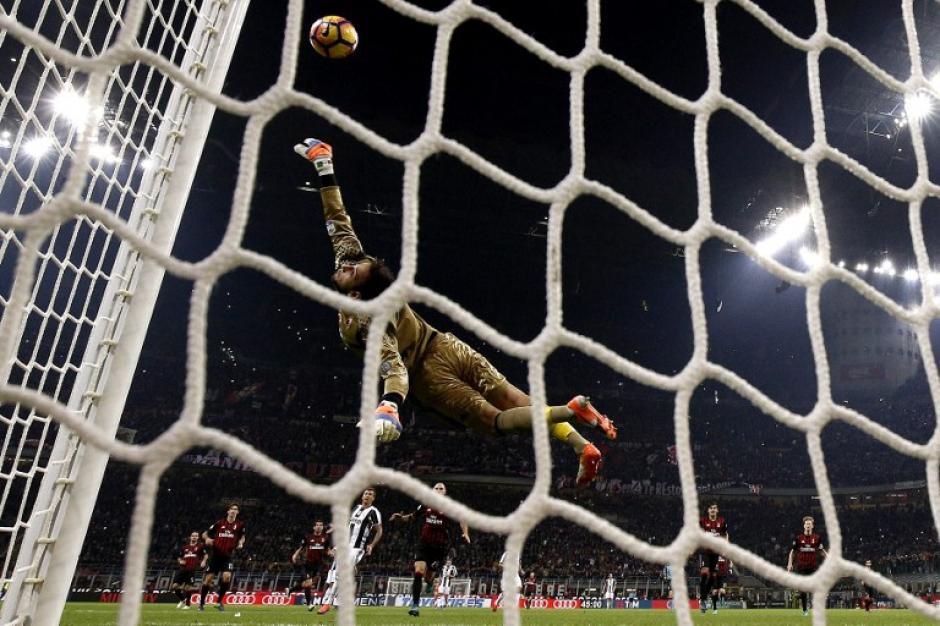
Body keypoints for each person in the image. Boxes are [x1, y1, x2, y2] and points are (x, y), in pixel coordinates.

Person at [294, 138, 618, 486]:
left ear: (355, 293)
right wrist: (323, 165)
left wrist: (389, 405)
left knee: (496, 423)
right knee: (517, 399)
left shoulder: (365, 319)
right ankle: (582, 446)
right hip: (449, 345)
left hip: (430, 375)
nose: (348, 264)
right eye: (353, 264)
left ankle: (571, 409)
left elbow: (394, 367)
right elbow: (337, 218)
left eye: (354, 268)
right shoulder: (352, 262)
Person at [389, 482, 470, 617]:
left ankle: (430, 582)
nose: (438, 490)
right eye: (436, 488)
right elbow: (413, 516)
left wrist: (465, 532)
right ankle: (415, 605)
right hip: (424, 545)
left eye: (441, 488)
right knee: (418, 572)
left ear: (445, 492)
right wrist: (401, 518)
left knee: (428, 578)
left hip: (440, 548)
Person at [318, 488, 383, 615]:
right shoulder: (355, 508)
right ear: (362, 496)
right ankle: (339, 600)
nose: (367, 496)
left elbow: (379, 530)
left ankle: (327, 603)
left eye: (370, 494)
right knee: (336, 574)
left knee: (340, 573)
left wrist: (372, 545)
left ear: (373, 498)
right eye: (365, 493)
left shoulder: (373, 512)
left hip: (357, 548)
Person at [199, 504, 246, 611]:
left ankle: (219, 601)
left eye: (236, 509)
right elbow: (205, 534)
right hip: (215, 555)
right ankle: (201, 603)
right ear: (228, 511)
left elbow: (243, 537)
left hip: (228, 556)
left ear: (237, 512)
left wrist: (241, 543)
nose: (233, 511)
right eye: (232, 509)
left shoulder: (240, 525)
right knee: (208, 580)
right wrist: (207, 539)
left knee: (227, 577)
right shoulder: (220, 523)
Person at [787, 515, 828, 617]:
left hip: (813, 567)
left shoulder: (817, 538)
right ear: (804, 526)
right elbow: (792, 551)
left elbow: (822, 551)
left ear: (812, 526)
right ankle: (805, 610)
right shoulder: (799, 538)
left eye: (810, 524)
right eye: (806, 524)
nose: (808, 525)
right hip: (801, 567)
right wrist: (789, 563)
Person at [291, 519, 330, 611]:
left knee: (305, 584)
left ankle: (290, 590)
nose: (319, 526)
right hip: (307, 564)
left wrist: (331, 552)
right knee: (307, 583)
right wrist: (295, 554)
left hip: (319, 565)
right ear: (314, 527)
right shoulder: (308, 537)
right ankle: (309, 604)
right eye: (317, 525)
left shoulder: (326, 537)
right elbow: (301, 547)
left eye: (321, 525)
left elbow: (328, 549)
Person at [698, 502, 728, 614]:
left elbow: (725, 535)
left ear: (717, 510)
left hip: (716, 553)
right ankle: (702, 600)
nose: (713, 510)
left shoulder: (722, 521)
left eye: (715, 508)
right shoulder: (702, 521)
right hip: (705, 551)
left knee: (712, 577)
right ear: (708, 511)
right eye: (711, 508)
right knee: (705, 573)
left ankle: (704, 598)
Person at [171, 532, 206, 609]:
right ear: (190, 537)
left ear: (198, 538)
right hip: (183, 569)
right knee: (174, 586)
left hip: (191, 570)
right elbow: (179, 557)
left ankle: (187, 605)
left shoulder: (200, 547)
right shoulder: (184, 547)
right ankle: (183, 599)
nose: (194, 537)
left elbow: (205, 555)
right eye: (193, 536)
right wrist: (180, 561)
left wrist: (204, 561)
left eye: (196, 536)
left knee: (188, 588)